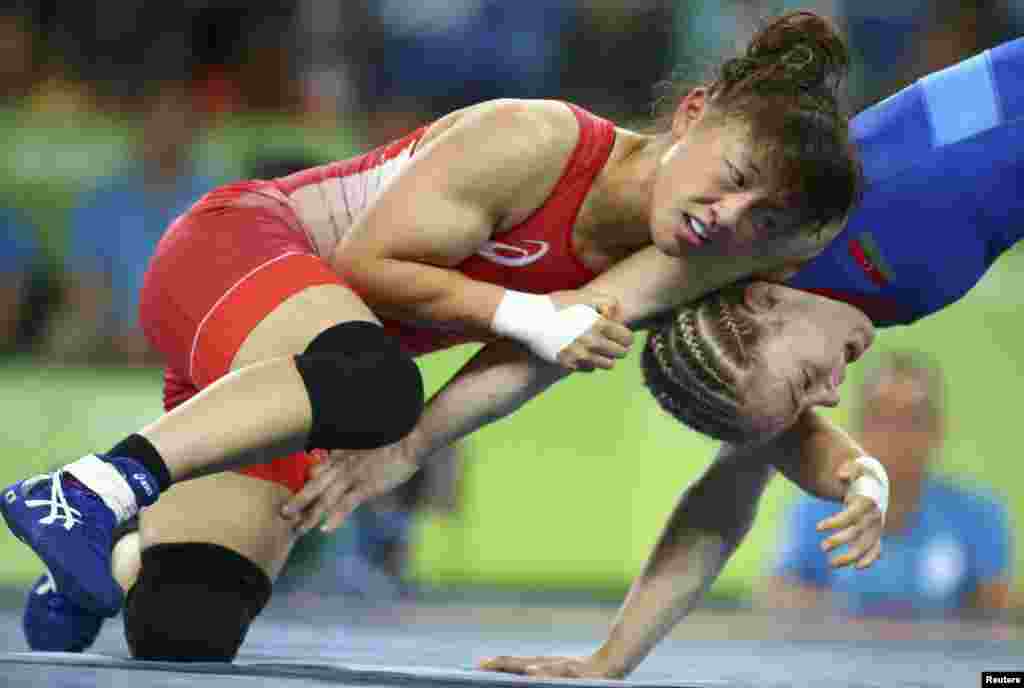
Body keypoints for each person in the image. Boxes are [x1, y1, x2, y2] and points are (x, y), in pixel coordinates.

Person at [4, 10, 865, 660]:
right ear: (691, 112)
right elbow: (370, 267)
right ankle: (85, 489)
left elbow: (528, 363)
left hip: (289, 378)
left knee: (188, 625)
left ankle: (109, 561)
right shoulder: (533, 139)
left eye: (763, 218)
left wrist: (857, 471)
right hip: (230, 257)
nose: (730, 216)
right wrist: (529, 317)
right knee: (377, 385)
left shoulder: (666, 261)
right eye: (736, 177)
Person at [463, 35, 1024, 680]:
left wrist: (402, 449)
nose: (833, 397)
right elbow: (721, 502)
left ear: (762, 300)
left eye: (807, 383)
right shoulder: (780, 326)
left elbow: (567, 329)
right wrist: (611, 662)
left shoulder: (785, 236)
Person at [761, 351, 1013, 620]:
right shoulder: (814, 511)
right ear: (856, 430)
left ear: (935, 430)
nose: (894, 436)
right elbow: (778, 597)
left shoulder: (979, 515)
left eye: (911, 420)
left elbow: (998, 614)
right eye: (880, 419)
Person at [43, 79, 215, 364]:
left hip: (191, 334)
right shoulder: (101, 202)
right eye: (156, 121)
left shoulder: (216, 200)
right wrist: (119, 333)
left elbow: (219, 288)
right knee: (67, 333)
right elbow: (84, 290)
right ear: (138, 129)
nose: (166, 134)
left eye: (177, 122)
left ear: (193, 132)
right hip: (110, 331)